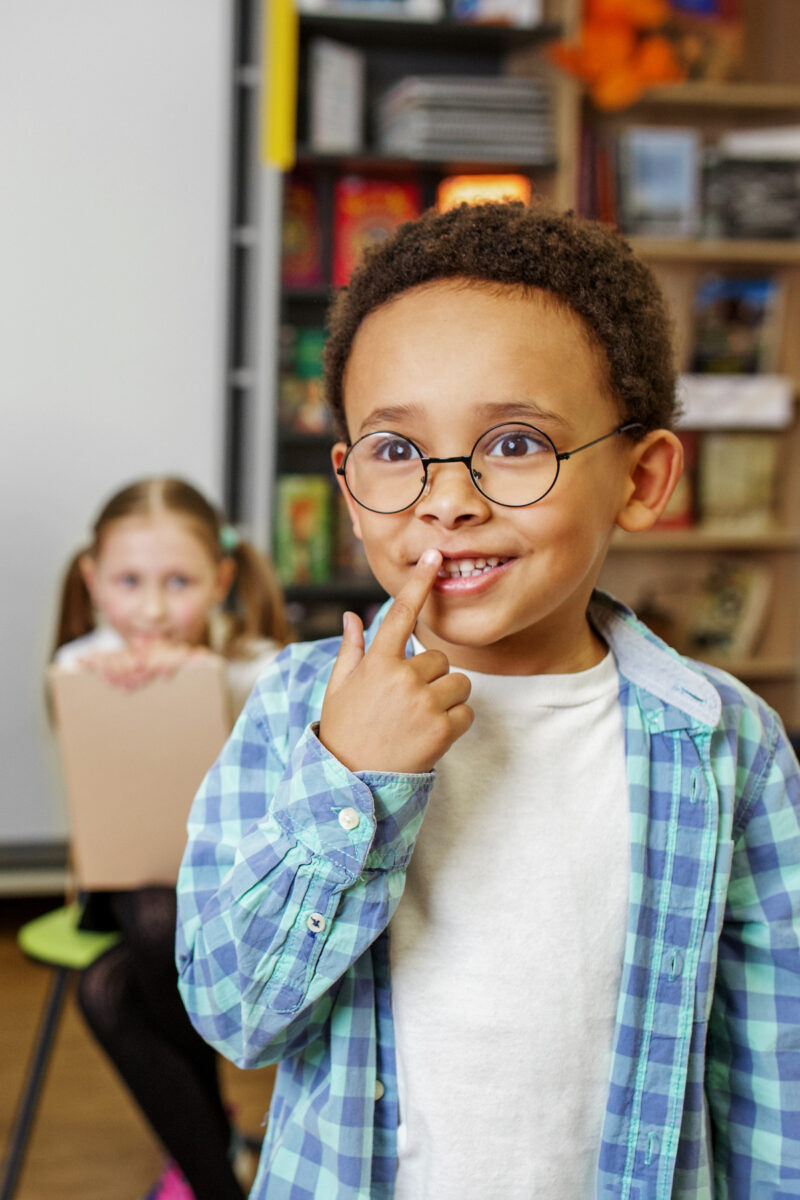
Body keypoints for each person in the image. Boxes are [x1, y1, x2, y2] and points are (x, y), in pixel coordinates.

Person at [175, 204, 800, 1198]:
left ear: (640, 479)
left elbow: (774, 1071)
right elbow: (235, 1016)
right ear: (345, 482)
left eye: (512, 444)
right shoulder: (298, 707)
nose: (445, 498)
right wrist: (354, 778)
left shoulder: (728, 745)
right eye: (394, 450)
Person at [52, 476, 289, 1200]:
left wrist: (206, 683)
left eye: (179, 582)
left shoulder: (260, 664)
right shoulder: (81, 665)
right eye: (129, 582)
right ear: (93, 581)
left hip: (231, 894)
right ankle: (221, 1162)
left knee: (107, 992)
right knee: (154, 917)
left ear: (220, 580)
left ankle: (209, 1164)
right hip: (125, 889)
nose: (152, 609)